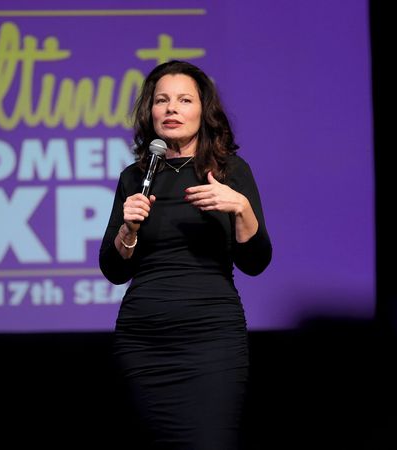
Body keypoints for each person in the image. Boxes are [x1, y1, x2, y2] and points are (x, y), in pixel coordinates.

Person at [99, 60, 272, 450]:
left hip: (211, 339)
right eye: (161, 100)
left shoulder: (230, 172)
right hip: (143, 341)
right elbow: (113, 270)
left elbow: (256, 262)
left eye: (184, 100)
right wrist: (128, 230)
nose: (171, 108)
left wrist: (241, 207)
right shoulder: (134, 177)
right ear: (150, 111)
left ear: (203, 111)